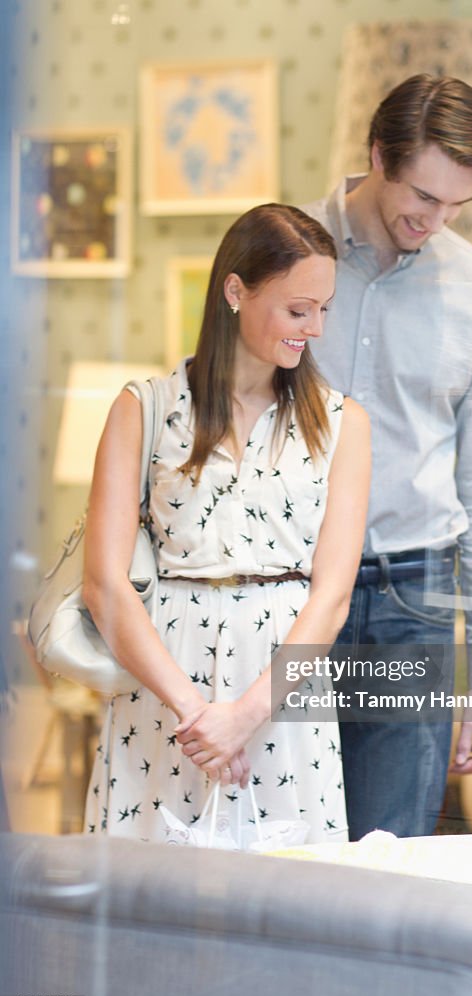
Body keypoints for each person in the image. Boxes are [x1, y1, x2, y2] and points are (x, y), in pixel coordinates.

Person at [82, 203, 371, 845]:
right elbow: (104, 586)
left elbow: (332, 596)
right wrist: (198, 716)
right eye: (299, 309)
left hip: (283, 696)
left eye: (324, 309)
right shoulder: (144, 409)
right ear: (235, 291)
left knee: (288, 905)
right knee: (148, 903)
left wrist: (244, 716)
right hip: (160, 695)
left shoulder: (344, 422)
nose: (315, 328)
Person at [302, 74, 472, 840]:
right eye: (422, 197)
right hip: (284, 587)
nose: (434, 221)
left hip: (412, 601)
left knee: (390, 861)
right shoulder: (286, 250)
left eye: (456, 207)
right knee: (274, 851)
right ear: (378, 155)